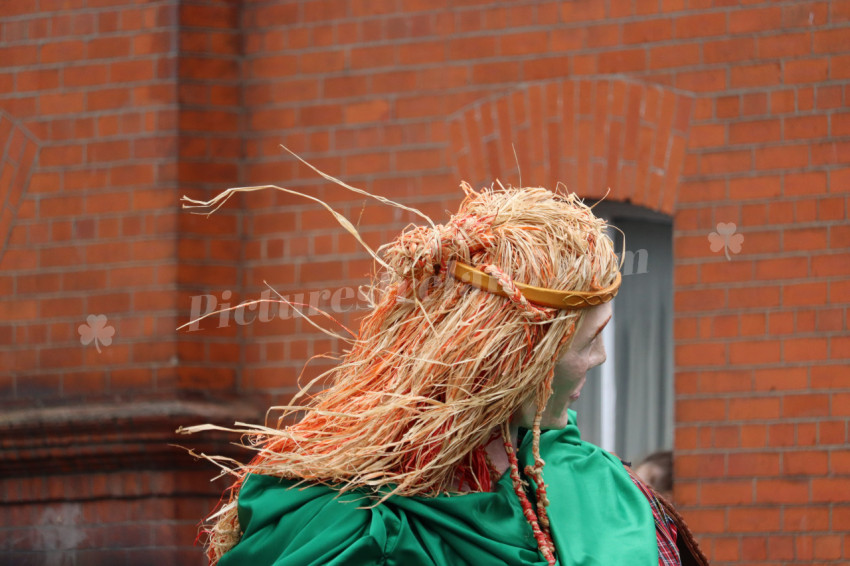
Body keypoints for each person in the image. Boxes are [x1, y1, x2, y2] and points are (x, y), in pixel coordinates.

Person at [181, 182, 708, 566]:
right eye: (591, 341)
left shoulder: (608, 491)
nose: (601, 360)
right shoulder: (343, 526)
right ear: (516, 358)